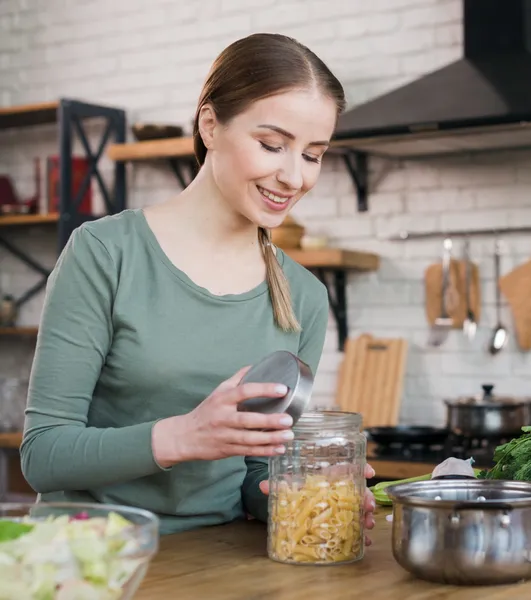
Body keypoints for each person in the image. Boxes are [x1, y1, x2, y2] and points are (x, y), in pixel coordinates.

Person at [20, 33, 377, 538]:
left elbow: (256, 473)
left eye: (314, 155)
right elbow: (44, 454)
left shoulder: (303, 297)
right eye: (273, 145)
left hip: (216, 564)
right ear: (209, 124)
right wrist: (185, 436)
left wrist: (305, 496)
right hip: (89, 557)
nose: (294, 177)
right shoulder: (105, 254)